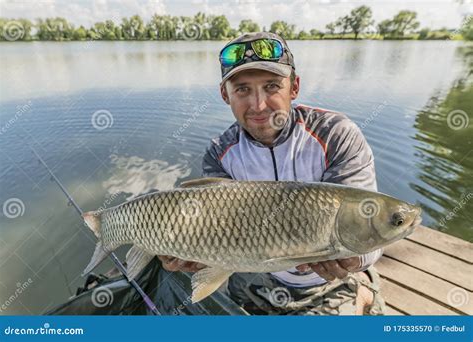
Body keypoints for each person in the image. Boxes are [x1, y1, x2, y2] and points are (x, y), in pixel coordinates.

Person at [158, 31, 385, 315]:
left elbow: (370, 236)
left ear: (294, 87)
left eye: (272, 86)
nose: (258, 105)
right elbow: (219, 236)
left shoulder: (336, 134)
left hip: (329, 282)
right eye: (242, 89)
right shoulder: (220, 153)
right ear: (224, 94)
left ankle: (362, 289)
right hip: (255, 274)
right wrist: (195, 255)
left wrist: (356, 260)